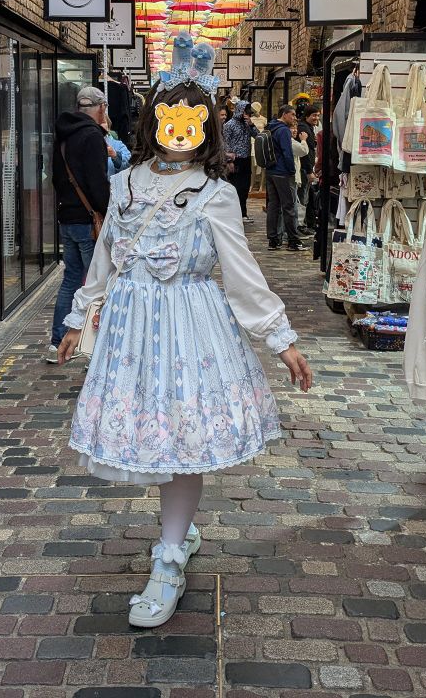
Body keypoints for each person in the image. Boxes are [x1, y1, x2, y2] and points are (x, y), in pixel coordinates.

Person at [55, 33, 311, 630]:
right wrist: (78, 316)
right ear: (153, 120)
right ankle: (180, 529)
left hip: (190, 326)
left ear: (207, 127)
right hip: (132, 328)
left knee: (183, 435)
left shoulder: (217, 194)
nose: (179, 130)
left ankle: (169, 558)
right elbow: (106, 259)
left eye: (192, 120)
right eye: (170, 117)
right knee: (155, 434)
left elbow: (242, 275)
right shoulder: (125, 184)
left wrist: (281, 339)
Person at [47, 86, 110, 363]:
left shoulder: (63, 135)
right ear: (101, 108)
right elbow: (98, 183)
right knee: (98, 283)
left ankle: (57, 342)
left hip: (67, 218)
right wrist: (107, 211)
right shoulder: (92, 136)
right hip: (88, 219)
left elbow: (54, 177)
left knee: (71, 279)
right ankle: (94, 346)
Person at [265, 105, 305, 251]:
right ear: (284, 114)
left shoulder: (270, 126)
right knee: (289, 207)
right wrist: (292, 170)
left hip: (270, 171)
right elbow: (287, 152)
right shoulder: (283, 130)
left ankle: (273, 239)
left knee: (273, 206)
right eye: (292, 115)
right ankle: (293, 240)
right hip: (282, 172)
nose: (294, 118)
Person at [222, 99, 259, 222]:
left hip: (246, 159)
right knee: (235, 187)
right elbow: (226, 143)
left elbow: (257, 136)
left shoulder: (247, 124)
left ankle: (243, 213)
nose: (247, 114)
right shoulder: (229, 125)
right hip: (235, 160)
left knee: (244, 187)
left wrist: (251, 124)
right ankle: (234, 213)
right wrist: (229, 161)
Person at [297, 104, 322, 234]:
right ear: (307, 116)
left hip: (306, 168)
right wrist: (308, 171)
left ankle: (303, 224)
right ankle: (300, 226)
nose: (316, 118)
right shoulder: (303, 128)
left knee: (306, 196)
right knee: (303, 196)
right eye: (314, 115)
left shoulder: (309, 127)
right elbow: (305, 152)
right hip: (303, 169)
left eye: (318, 115)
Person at [105, 115, 131, 180]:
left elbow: (129, 164)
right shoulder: (87, 144)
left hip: (112, 187)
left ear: (108, 127)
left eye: (102, 122)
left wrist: (115, 156)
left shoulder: (118, 145)